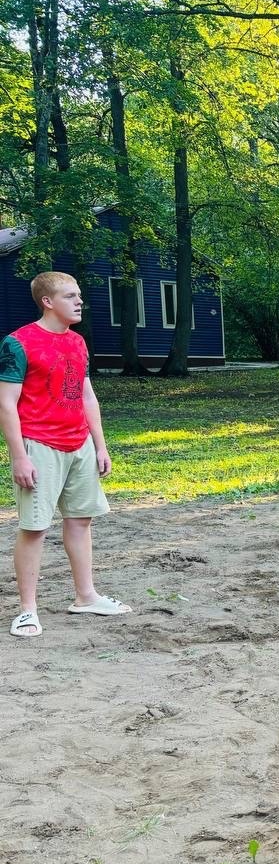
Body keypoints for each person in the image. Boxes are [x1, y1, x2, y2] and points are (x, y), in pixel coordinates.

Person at [0, 272, 131, 638]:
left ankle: (86, 597)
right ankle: (27, 611)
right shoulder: (18, 343)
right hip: (39, 445)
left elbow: (87, 396)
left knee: (80, 520)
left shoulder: (77, 342)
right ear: (47, 301)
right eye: (70, 296)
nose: (79, 301)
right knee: (35, 527)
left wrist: (99, 445)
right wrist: (19, 456)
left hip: (79, 445)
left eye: (78, 295)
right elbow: (6, 404)